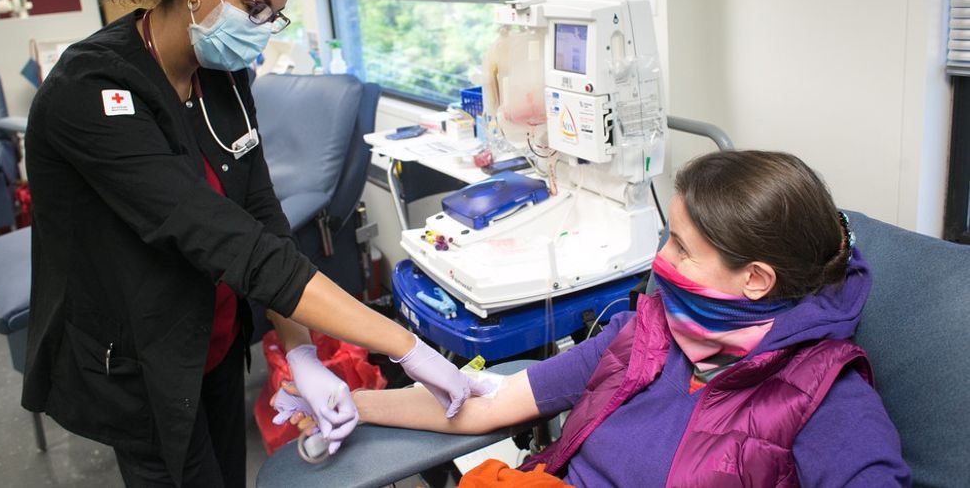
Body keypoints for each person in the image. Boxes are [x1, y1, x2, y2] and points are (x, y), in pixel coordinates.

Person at [21, 0, 484, 486]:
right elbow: (218, 234)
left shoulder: (221, 75)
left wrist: (301, 352)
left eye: (273, 14)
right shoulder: (89, 90)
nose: (263, 30)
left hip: (210, 337)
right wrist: (404, 346)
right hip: (142, 362)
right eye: (256, 7)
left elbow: (262, 219)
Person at [315, 151, 911, 486]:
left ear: (755, 279)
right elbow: (490, 402)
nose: (659, 262)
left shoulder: (827, 402)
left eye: (680, 247)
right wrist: (350, 401)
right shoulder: (652, 333)